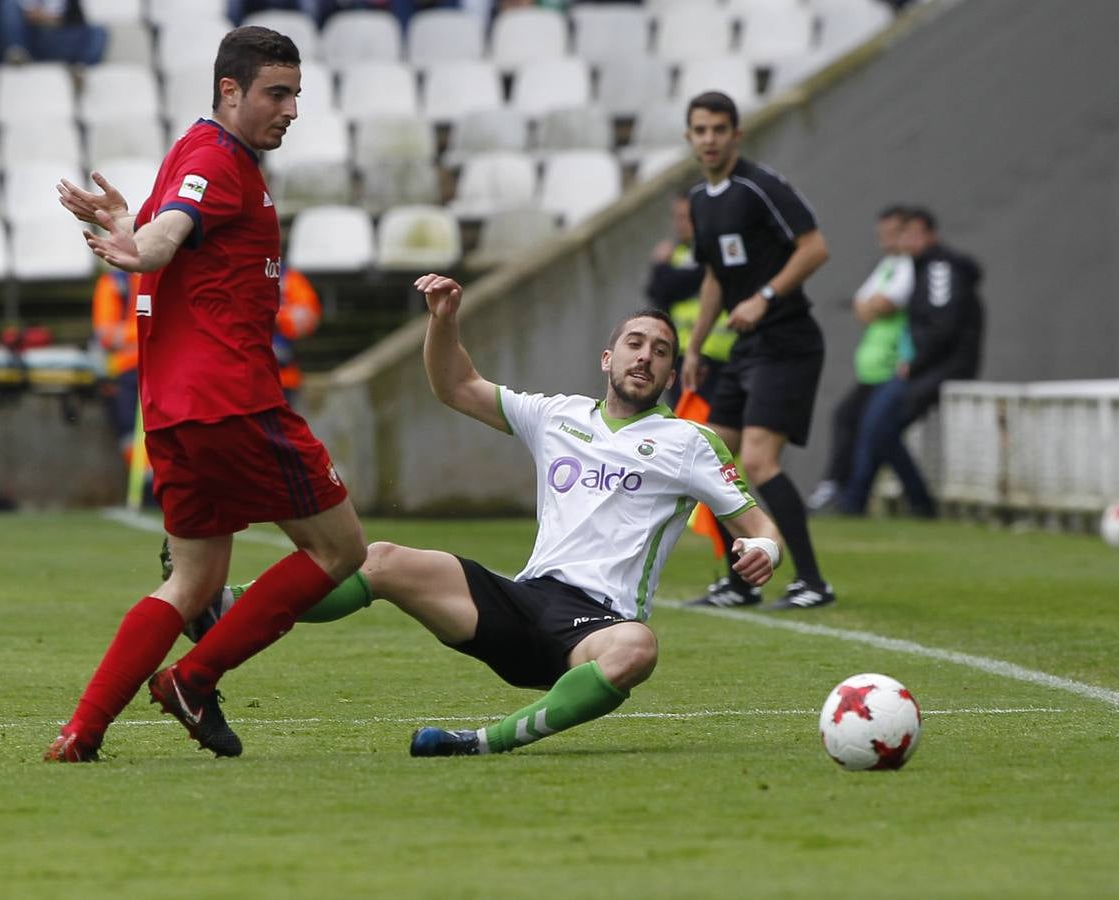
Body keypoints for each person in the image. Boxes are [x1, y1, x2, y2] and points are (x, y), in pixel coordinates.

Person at [172, 272, 784, 756]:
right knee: (379, 559)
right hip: (522, 602)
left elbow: (757, 525)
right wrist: (444, 322)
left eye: (659, 351)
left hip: (596, 626)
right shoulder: (558, 415)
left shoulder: (689, 443)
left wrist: (767, 550)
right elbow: (455, 385)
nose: (644, 357)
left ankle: (483, 742)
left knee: (638, 649)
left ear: (672, 372)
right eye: (634, 344)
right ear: (607, 358)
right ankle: (222, 609)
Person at [44, 26, 367, 763]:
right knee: (340, 548)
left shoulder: (195, 154)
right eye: (275, 93)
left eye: (294, 95)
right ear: (230, 91)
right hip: (233, 401)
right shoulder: (219, 160)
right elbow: (165, 244)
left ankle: (81, 731)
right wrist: (138, 246)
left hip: (172, 409)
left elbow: (172, 236)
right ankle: (194, 677)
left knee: (193, 578)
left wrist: (127, 226)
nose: (289, 109)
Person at [680, 90, 835, 611]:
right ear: (690, 136)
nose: (709, 139)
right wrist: (695, 347)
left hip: (787, 341)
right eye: (700, 130)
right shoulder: (701, 200)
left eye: (718, 129)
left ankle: (812, 581)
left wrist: (765, 297)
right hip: (745, 349)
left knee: (759, 461)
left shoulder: (760, 186)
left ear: (735, 134)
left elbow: (815, 248)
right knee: (706, 456)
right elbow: (713, 277)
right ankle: (742, 582)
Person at [837, 207, 983, 517]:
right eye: (904, 234)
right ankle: (863, 501)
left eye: (913, 233)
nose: (906, 240)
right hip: (926, 365)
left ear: (931, 234)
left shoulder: (939, 268)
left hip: (940, 367)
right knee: (875, 426)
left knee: (877, 425)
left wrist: (915, 363)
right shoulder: (921, 267)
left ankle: (905, 503)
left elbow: (943, 325)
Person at [807, 206, 914, 512]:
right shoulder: (888, 265)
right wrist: (871, 306)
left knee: (873, 430)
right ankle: (841, 490)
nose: (884, 240)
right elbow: (862, 306)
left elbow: (883, 303)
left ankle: (851, 496)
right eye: (882, 234)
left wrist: (872, 306)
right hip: (873, 370)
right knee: (850, 420)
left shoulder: (910, 267)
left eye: (892, 233)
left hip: (894, 367)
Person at [645, 194, 736, 412]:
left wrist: (662, 268)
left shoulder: (722, 249)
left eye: (687, 217)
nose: (681, 224)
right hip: (685, 358)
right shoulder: (677, 254)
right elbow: (659, 290)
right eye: (677, 217)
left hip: (725, 356)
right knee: (692, 428)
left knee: (725, 433)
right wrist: (661, 269)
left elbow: (701, 276)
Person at [91, 267, 141, 469]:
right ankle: (146, 483)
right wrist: (147, 332)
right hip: (125, 372)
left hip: (164, 368)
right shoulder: (114, 282)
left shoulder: (165, 275)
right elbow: (106, 334)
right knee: (130, 433)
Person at [0, 0, 107, 66]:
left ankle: (81, 69)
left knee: (99, 32)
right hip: (33, 39)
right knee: (7, 4)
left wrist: (51, 19)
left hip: (59, 38)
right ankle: (16, 52)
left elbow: (77, 21)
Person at [274, 267, 322, 406]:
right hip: (241, 378)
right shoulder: (237, 274)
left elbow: (308, 318)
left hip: (283, 379)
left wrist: (275, 319)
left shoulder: (289, 278)